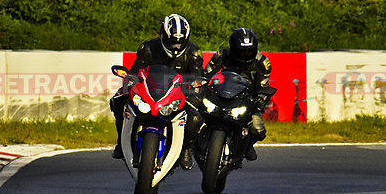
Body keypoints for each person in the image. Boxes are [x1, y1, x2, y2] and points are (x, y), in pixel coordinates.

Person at [110, 13, 203, 169]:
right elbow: (135, 71)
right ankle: (122, 141)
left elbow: (198, 76)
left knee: (197, 113)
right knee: (118, 100)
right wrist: (130, 79)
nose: (176, 46)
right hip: (150, 90)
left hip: (179, 92)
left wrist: (195, 85)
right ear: (162, 36)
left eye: (180, 42)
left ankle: (186, 148)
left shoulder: (193, 52)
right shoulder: (148, 48)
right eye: (172, 42)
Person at [204, 28, 272, 161]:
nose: (245, 54)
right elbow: (207, 73)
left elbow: (264, 85)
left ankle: (247, 145)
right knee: (197, 116)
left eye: (249, 50)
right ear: (233, 48)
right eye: (241, 51)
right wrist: (201, 85)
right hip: (220, 94)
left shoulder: (262, 62)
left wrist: (260, 99)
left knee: (258, 130)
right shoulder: (222, 55)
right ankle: (188, 148)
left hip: (246, 99)